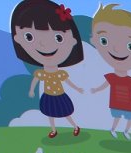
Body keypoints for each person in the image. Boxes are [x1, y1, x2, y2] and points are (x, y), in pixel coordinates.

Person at [10, 0, 86, 138]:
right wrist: (32, 90)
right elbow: (35, 80)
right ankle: (53, 130)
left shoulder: (60, 73)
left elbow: (67, 81)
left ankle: (75, 126)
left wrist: (77, 88)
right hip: (48, 96)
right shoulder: (41, 73)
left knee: (66, 112)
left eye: (58, 37)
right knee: (50, 114)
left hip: (60, 95)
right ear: (18, 38)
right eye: (29, 36)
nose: (44, 44)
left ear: (73, 41)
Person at [88, 3, 131, 139]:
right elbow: (105, 85)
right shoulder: (111, 77)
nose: (118, 50)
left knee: (130, 118)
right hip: (117, 102)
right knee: (117, 117)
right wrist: (96, 90)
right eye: (104, 40)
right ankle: (113, 129)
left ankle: (126, 131)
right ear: (94, 41)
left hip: (129, 103)